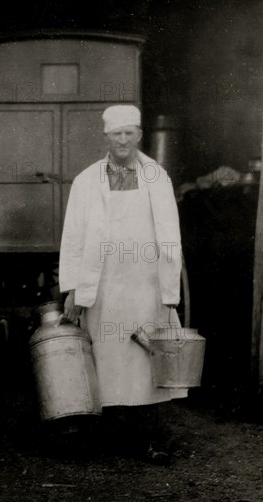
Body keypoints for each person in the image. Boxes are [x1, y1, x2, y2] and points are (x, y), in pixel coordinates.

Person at [59, 105, 186, 464]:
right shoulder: (86, 182)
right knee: (108, 360)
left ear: (140, 134)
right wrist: (72, 288)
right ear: (106, 137)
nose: (124, 140)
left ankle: (151, 441)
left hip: (144, 284)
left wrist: (169, 291)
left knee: (146, 361)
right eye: (117, 133)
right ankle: (111, 441)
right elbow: (73, 238)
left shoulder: (157, 177)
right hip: (104, 285)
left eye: (130, 132)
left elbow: (170, 236)